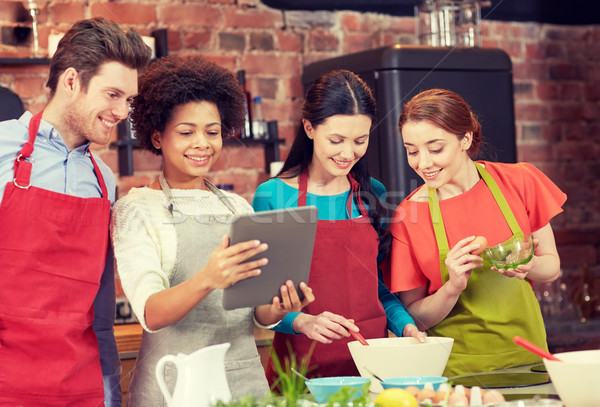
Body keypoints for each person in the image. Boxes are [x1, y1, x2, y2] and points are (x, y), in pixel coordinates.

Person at [110, 55, 314, 405]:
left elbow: (257, 314)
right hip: (175, 388)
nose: (202, 143)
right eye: (186, 132)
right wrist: (208, 277)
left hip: (244, 385)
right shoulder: (137, 208)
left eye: (213, 131)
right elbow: (151, 313)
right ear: (157, 137)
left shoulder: (236, 208)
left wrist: (281, 306)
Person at [0, 18, 151, 406]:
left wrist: (109, 392)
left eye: (129, 100)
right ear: (71, 82)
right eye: (113, 94)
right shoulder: (2, 150)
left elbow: (100, 307)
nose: (122, 111)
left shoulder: (103, 179)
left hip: (81, 385)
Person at [252, 69, 425, 383]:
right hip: (301, 375)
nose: (349, 153)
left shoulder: (374, 194)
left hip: (372, 368)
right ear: (309, 128)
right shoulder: (272, 196)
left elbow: (380, 291)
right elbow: (263, 307)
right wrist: (302, 321)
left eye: (360, 140)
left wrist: (406, 325)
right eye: (336, 140)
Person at [385, 88, 566, 377]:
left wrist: (529, 265)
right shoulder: (409, 216)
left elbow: (552, 266)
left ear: (465, 139)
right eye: (412, 151)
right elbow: (415, 319)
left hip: (530, 363)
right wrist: (452, 287)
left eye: (435, 149)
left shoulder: (519, 181)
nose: (423, 163)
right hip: (455, 373)